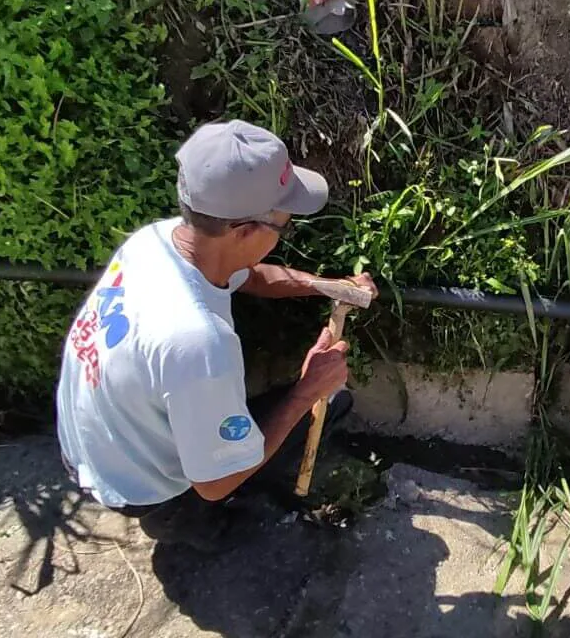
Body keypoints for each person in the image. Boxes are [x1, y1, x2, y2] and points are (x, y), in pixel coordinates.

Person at [55, 119, 377, 552]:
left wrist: (324, 285)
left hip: (92, 446)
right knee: (320, 411)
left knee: (256, 418)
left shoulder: (155, 242)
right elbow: (214, 482)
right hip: (138, 486)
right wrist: (307, 392)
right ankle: (180, 524)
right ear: (244, 232)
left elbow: (251, 274)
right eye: (285, 224)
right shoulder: (198, 344)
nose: (286, 231)